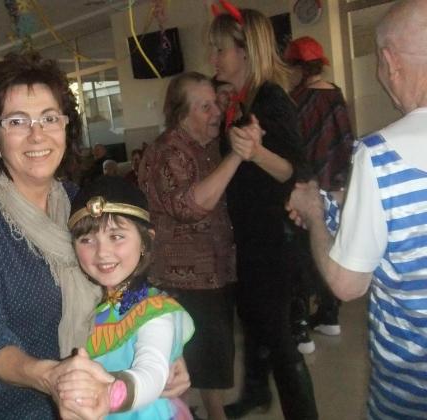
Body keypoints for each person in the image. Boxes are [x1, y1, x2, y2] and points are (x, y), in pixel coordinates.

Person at [0, 52, 189, 420]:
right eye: (17, 121)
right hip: (25, 406)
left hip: (103, 387)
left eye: (49, 118)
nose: (37, 134)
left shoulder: (77, 201)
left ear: (65, 127)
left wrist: (161, 348)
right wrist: (52, 377)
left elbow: (124, 280)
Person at [286, 1, 427, 418]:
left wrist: (315, 214)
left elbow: (347, 285)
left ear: (390, 61)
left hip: (411, 391)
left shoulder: (381, 156)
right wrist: (341, 203)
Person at [209, 4, 318, 419]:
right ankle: (256, 392)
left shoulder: (270, 98)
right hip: (254, 236)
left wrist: (255, 153)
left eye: (220, 49)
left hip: (274, 240)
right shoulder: (244, 100)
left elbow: (295, 170)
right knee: (255, 321)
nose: (213, 58)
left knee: (279, 338)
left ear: (245, 51)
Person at [139, 71, 254, 420]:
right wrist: (236, 157)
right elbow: (189, 207)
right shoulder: (167, 151)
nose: (216, 112)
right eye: (205, 107)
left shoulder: (206, 147)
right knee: (191, 364)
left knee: (209, 363)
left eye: (216, 103)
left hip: (212, 273)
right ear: (181, 114)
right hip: (182, 279)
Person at [63, 175, 194, 419]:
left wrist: (108, 394)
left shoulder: (154, 310)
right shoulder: (85, 303)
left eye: (116, 236)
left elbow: (152, 372)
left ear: (145, 241)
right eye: (87, 240)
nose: (102, 252)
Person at [284, 36, 355, 353]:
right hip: (335, 187)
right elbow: (345, 141)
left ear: (299, 67)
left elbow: (292, 148)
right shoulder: (335, 94)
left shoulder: (295, 100)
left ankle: (300, 329)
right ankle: (330, 315)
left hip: (305, 188)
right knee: (330, 250)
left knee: (299, 255)